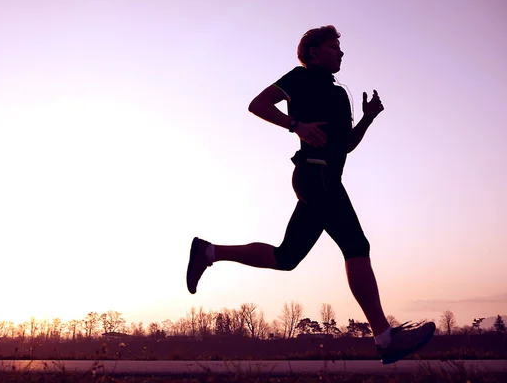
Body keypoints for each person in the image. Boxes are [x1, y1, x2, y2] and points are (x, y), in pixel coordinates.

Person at [185, 25, 435, 364]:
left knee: (286, 257)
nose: (341, 53)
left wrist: (367, 119)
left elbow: (346, 145)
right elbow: (257, 104)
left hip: (328, 178)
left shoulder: (338, 94)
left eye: (340, 48)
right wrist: (296, 126)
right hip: (314, 174)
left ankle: (208, 251)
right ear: (314, 52)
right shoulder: (300, 77)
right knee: (356, 245)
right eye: (334, 47)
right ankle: (385, 338)